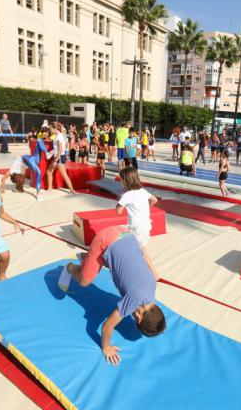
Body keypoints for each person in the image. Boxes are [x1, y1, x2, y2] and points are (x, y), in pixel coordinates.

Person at [57, 223, 166, 365]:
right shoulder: (134, 301)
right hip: (106, 239)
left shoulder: (152, 285)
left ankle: (88, 259)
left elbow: (143, 254)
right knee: (84, 282)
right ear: (138, 318)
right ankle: (70, 268)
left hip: (125, 234)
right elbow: (107, 326)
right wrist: (106, 347)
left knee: (115, 263)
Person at [117, 167, 158, 251]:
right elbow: (154, 200)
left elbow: (118, 211)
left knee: (142, 250)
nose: (120, 181)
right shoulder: (142, 191)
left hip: (136, 227)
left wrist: (120, 199)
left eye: (121, 179)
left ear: (125, 181)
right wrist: (145, 206)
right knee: (125, 239)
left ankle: (146, 264)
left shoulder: (127, 194)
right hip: (144, 225)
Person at [46, 123, 76, 194]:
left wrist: (56, 159)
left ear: (55, 128)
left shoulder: (59, 136)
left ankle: (71, 190)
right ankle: (71, 190)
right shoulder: (60, 135)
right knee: (53, 172)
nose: (50, 130)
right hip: (61, 156)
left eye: (50, 129)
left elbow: (60, 149)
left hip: (58, 157)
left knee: (51, 172)